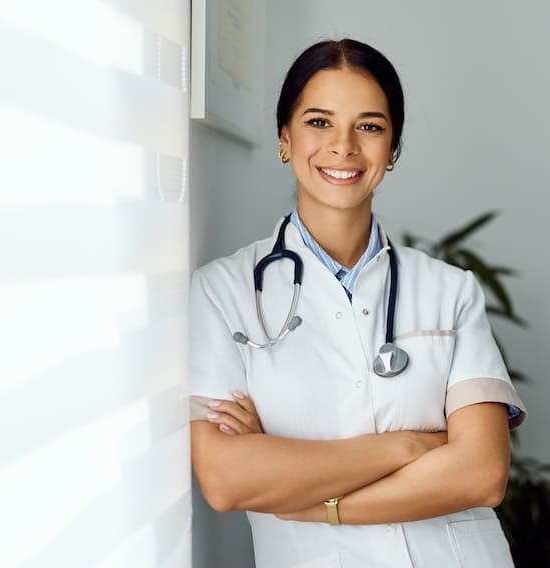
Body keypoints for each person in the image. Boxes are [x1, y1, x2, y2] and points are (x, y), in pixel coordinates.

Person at [188, 38, 526, 568]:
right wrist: (410, 447)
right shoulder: (223, 291)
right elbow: (228, 480)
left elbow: (481, 475)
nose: (342, 147)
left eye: (369, 126)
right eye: (319, 122)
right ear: (285, 137)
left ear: (392, 149)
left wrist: (307, 498)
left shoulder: (450, 289)